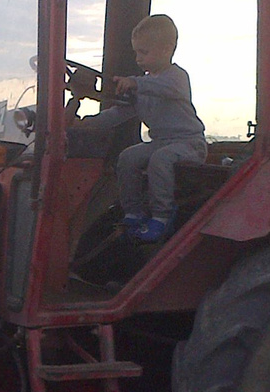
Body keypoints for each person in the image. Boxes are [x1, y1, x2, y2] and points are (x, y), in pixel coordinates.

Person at [76, 14, 206, 244]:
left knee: (160, 160)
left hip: (188, 144)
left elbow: (158, 87)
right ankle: (133, 212)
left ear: (167, 49)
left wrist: (136, 83)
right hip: (161, 142)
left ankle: (161, 217)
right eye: (136, 52)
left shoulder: (176, 78)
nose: (138, 59)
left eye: (143, 53)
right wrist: (88, 124)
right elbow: (120, 113)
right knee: (128, 157)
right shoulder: (143, 85)